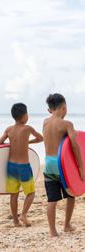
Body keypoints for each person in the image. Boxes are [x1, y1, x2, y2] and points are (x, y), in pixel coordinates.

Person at [43, 93, 84, 237]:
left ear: (49, 109)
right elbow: (75, 146)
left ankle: (52, 231)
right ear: (64, 107)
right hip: (62, 165)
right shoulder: (67, 124)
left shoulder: (45, 122)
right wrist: (80, 167)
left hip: (48, 163)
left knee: (52, 199)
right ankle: (66, 225)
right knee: (71, 194)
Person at [0, 103, 43, 227]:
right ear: (24, 116)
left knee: (13, 195)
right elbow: (41, 138)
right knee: (31, 193)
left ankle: (15, 221)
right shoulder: (28, 128)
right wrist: (28, 142)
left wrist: (11, 144)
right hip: (24, 167)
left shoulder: (9, 129)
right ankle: (23, 215)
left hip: (11, 166)